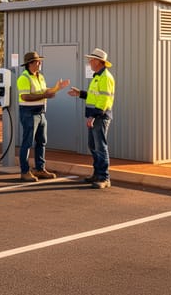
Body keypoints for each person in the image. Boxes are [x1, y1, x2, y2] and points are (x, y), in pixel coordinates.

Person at [16, 51, 70, 182]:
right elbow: (25, 97)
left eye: (39, 61)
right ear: (30, 64)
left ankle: (40, 169)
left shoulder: (40, 77)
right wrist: (44, 96)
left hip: (40, 113)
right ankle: (25, 172)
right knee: (27, 143)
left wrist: (57, 88)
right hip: (28, 113)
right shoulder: (24, 78)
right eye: (37, 61)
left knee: (41, 142)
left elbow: (45, 91)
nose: (40, 63)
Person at [68, 48, 115, 189]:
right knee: (93, 146)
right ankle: (97, 174)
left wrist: (94, 116)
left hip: (100, 117)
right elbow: (94, 96)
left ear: (99, 62)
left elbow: (104, 100)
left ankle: (104, 177)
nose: (89, 62)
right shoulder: (98, 76)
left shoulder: (106, 77)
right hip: (94, 116)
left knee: (100, 147)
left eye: (92, 60)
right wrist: (81, 93)